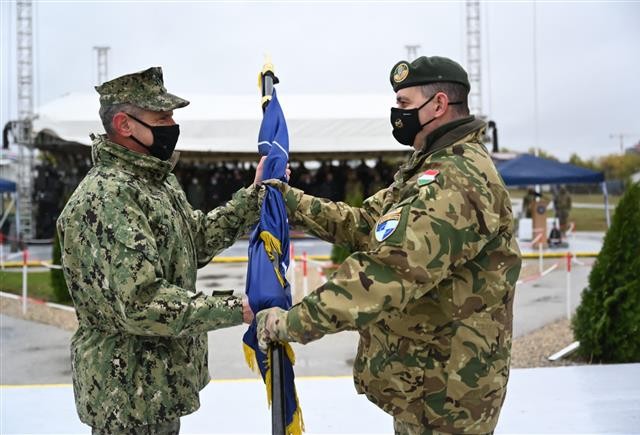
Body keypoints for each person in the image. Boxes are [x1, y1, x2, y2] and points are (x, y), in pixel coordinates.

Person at [256, 56, 522, 434]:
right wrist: (288, 200)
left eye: (404, 105)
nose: (397, 114)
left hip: (449, 397)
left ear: (439, 105)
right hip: (426, 384)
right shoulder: (428, 167)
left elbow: (389, 271)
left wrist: (290, 323)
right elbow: (367, 225)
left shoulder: (456, 179)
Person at [57, 67, 265, 434]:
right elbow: (141, 303)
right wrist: (238, 308)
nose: (172, 125)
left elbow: (194, 241)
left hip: (156, 387)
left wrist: (253, 198)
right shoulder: (110, 197)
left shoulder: (156, 182)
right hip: (128, 396)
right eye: (162, 117)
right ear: (124, 124)